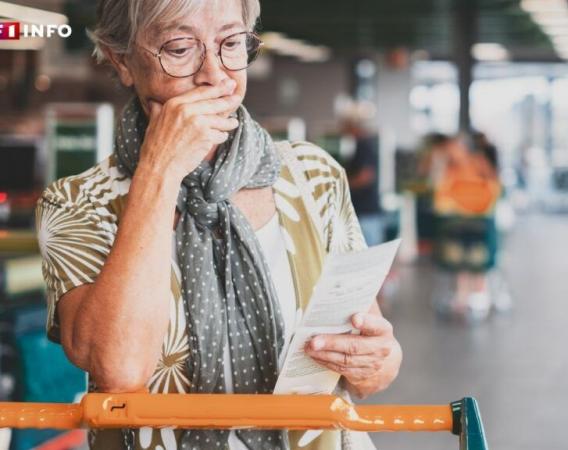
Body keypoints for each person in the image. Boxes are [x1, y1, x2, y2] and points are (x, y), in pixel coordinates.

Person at [34, 1, 401, 449]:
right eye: (180, 47)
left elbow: (369, 363)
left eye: (230, 43)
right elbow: (118, 370)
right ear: (121, 59)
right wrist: (159, 171)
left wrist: (377, 361)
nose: (215, 74)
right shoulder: (78, 202)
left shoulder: (313, 176)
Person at [429, 133, 501, 320]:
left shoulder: (478, 162)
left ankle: (478, 293)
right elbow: (440, 192)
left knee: (478, 259)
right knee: (459, 259)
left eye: (455, 149)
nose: (452, 153)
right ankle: (461, 296)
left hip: (479, 221)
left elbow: (493, 185)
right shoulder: (449, 169)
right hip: (457, 222)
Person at [343, 119, 384, 247]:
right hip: (364, 213)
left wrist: (342, 184)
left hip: (367, 213)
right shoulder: (360, 147)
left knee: (369, 257)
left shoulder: (364, 146)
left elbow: (365, 176)